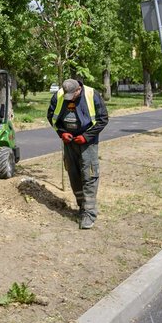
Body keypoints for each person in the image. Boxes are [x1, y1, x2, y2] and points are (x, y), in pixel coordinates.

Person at [47, 79, 109, 229]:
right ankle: (82, 207)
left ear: (78, 90)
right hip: (69, 142)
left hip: (88, 142)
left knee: (89, 176)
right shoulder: (59, 96)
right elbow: (52, 118)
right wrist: (62, 133)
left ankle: (89, 214)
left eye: (72, 96)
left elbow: (103, 119)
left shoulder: (91, 94)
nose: (70, 99)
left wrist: (86, 137)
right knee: (74, 175)